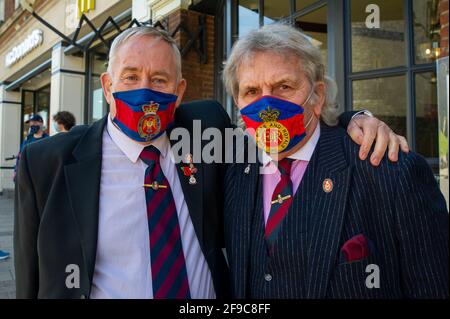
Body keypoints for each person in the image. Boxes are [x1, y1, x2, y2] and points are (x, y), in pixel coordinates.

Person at [15, 26, 405, 299]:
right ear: (107, 85)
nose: (146, 91)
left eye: (160, 79)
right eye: (130, 78)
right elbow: (29, 280)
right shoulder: (47, 161)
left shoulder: (207, 132)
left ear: (180, 90)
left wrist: (356, 118)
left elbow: (282, 122)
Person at [222, 24, 449, 299]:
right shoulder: (232, 173)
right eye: (252, 91)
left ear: (317, 95)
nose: (267, 106)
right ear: (237, 101)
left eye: (284, 86)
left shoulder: (391, 170)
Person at [13, 114, 48, 182]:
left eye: (34, 123)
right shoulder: (27, 139)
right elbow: (20, 156)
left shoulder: (47, 139)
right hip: (26, 174)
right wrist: (16, 170)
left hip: (41, 175)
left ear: (41, 123)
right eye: (30, 123)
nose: (32, 125)